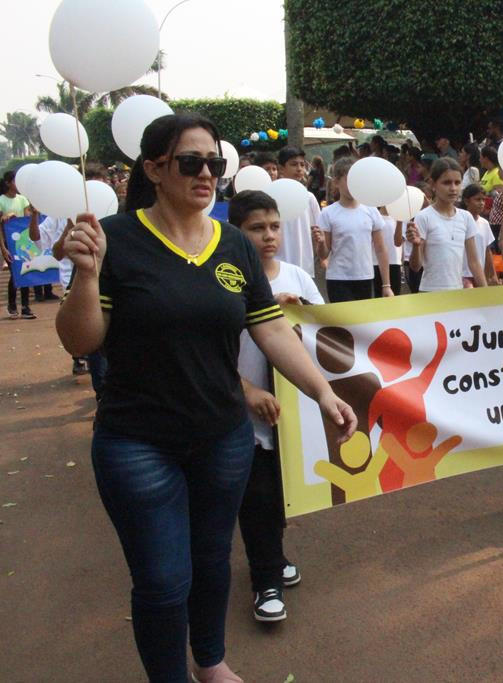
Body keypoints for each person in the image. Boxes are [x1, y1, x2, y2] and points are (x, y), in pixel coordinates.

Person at [54, 113, 357, 682]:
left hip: (223, 438)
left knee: (212, 562)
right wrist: (88, 278)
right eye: (190, 162)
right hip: (137, 442)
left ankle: (211, 663)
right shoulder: (115, 240)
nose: (206, 174)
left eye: (214, 164)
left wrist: (322, 391)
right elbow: (81, 340)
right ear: (154, 169)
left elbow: (269, 330)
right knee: (164, 580)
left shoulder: (236, 246)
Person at [229, 190, 323, 623]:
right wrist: (246, 389)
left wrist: (300, 314)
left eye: (274, 226)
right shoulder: (225, 284)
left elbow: (328, 335)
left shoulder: (298, 278)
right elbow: (210, 354)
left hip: (290, 415)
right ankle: (265, 581)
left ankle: (274, 555)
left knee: (282, 492)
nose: (269, 236)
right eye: (256, 228)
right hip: (241, 414)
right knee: (257, 497)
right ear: (235, 232)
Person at [33, 162, 111, 385]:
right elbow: (56, 253)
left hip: (112, 286)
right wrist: (69, 228)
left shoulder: (117, 215)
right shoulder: (63, 215)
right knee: (92, 345)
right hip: (76, 284)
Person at [318, 158, 394, 302]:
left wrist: (386, 284)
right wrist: (321, 243)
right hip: (338, 278)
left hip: (365, 277)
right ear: (336, 182)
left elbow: (381, 249)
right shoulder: (328, 213)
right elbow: (324, 254)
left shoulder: (371, 210)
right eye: (348, 180)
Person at [407, 158, 488, 291]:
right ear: (433, 184)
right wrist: (416, 246)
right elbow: (415, 266)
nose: (453, 188)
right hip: (430, 291)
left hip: (457, 291)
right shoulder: (424, 217)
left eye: (457, 183)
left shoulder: (466, 217)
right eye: (446, 183)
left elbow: (474, 262)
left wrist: (485, 291)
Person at [276, 146, 321, 277]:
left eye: (302, 164)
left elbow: (317, 231)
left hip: (303, 267)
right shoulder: (271, 196)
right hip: (277, 265)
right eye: (294, 164)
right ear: (281, 168)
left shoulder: (309, 198)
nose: (299, 169)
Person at [1, 170, 34, 319]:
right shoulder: (1, 200)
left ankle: (26, 306)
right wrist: (3, 248)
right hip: (9, 242)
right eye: (15, 181)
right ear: (8, 183)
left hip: (23, 241)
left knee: (26, 271)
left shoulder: (23, 199)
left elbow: (27, 218)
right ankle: (12, 305)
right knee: (15, 274)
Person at [460, 184, 498, 287]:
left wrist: (493, 274)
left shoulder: (484, 223)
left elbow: (487, 250)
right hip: (462, 274)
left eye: (483, 200)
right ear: (467, 201)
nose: (481, 203)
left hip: (479, 275)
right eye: (477, 200)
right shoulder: (459, 221)